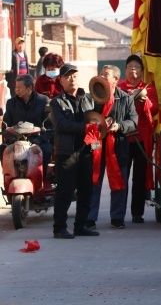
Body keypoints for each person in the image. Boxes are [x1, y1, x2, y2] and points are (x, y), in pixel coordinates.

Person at [50, 63, 99, 239]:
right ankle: (59, 228)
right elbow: (62, 125)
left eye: (75, 75)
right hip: (67, 153)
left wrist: (95, 146)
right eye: (68, 76)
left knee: (86, 190)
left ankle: (80, 225)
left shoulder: (88, 99)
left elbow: (95, 121)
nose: (72, 79)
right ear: (61, 80)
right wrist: (84, 128)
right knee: (65, 191)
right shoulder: (56, 102)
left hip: (86, 150)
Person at [87, 64, 138, 229]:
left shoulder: (125, 98)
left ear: (116, 79)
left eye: (106, 75)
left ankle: (117, 217)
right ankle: (89, 216)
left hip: (118, 145)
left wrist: (120, 126)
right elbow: (86, 116)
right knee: (93, 179)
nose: (102, 77)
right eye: (101, 74)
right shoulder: (93, 96)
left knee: (119, 181)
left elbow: (134, 122)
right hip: (96, 143)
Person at [118, 54, 158, 223]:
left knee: (139, 177)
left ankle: (137, 213)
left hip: (142, 138)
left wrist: (145, 100)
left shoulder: (148, 88)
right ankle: (118, 213)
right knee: (121, 176)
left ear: (142, 71)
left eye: (136, 67)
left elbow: (155, 109)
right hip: (123, 138)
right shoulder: (118, 87)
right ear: (125, 70)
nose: (132, 69)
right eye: (129, 67)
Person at [2, 74, 51, 168]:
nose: (16, 90)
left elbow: (49, 126)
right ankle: (7, 178)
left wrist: (39, 137)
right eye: (16, 87)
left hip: (37, 139)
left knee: (47, 149)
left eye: (19, 88)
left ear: (29, 88)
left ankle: (41, 178)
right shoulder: (11, 103)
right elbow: (6, 124)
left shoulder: (43, 101)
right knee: (3, 149)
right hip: (15, 140)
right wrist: (8, 130)